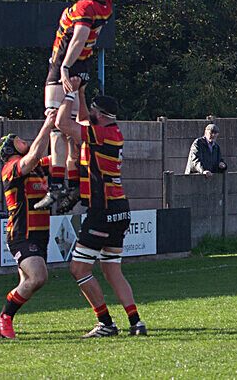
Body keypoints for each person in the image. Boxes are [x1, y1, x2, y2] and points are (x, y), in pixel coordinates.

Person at [37, 0, 134, 214]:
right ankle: (75, 185)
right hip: (84, 67)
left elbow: (78, 38)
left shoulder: (84, 8)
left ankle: (56, 187)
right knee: (71, 131)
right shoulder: (104, 4)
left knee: (56, 126)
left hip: (66, 67)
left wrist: (64, 68)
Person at [55, 82, 147, 337]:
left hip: (103, 209)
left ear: (102, 116)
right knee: (111, 268)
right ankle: (136, 322)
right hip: (119, 208)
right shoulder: (109, 130)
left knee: (79, 269)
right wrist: (82, 92)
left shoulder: (103, 134)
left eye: (93, 111)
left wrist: (69, 94)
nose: (88, 115)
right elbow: (84, 119)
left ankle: (105, 322)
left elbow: (65, 125)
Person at [0, 111, 57, 339]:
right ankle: (4, 319)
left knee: (29, 282)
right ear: (9, 149)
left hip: (41, 233)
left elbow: (59, 158)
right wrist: (48, 124)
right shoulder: (11, 167)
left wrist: (63, 131)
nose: (21, 140)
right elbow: (37, 151)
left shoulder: (36, 166)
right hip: (21, 233)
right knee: (38, 277)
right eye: (16, 139)